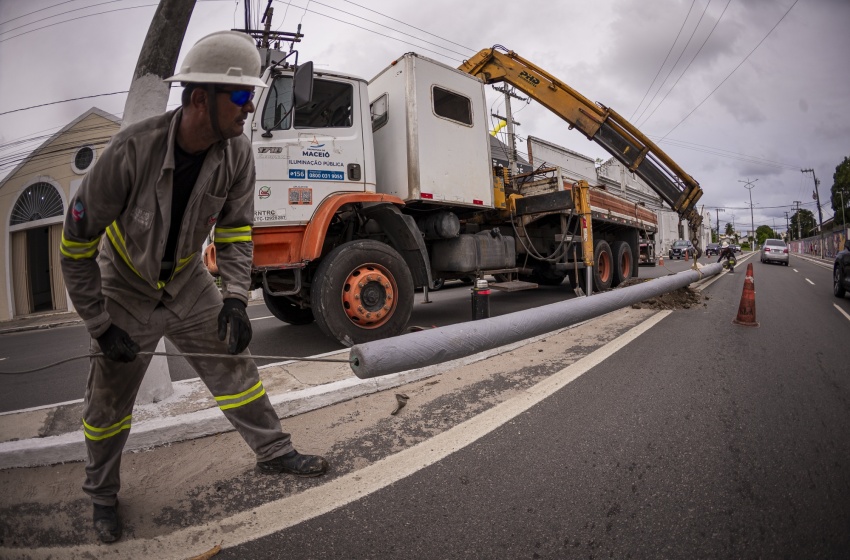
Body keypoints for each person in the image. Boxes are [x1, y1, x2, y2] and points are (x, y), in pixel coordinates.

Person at [60, 30, 328, 544]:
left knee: (235, 367)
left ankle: (273, 452)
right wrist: (98, 323)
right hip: (124, 284)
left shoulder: (238, 154)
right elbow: (75, 245)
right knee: (107, 403)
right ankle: (102, 495)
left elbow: (233, 230)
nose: (250, 109)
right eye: (244, 97)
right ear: (200, 98)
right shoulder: (129, 152)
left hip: (184, 277)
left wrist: (233, 298)